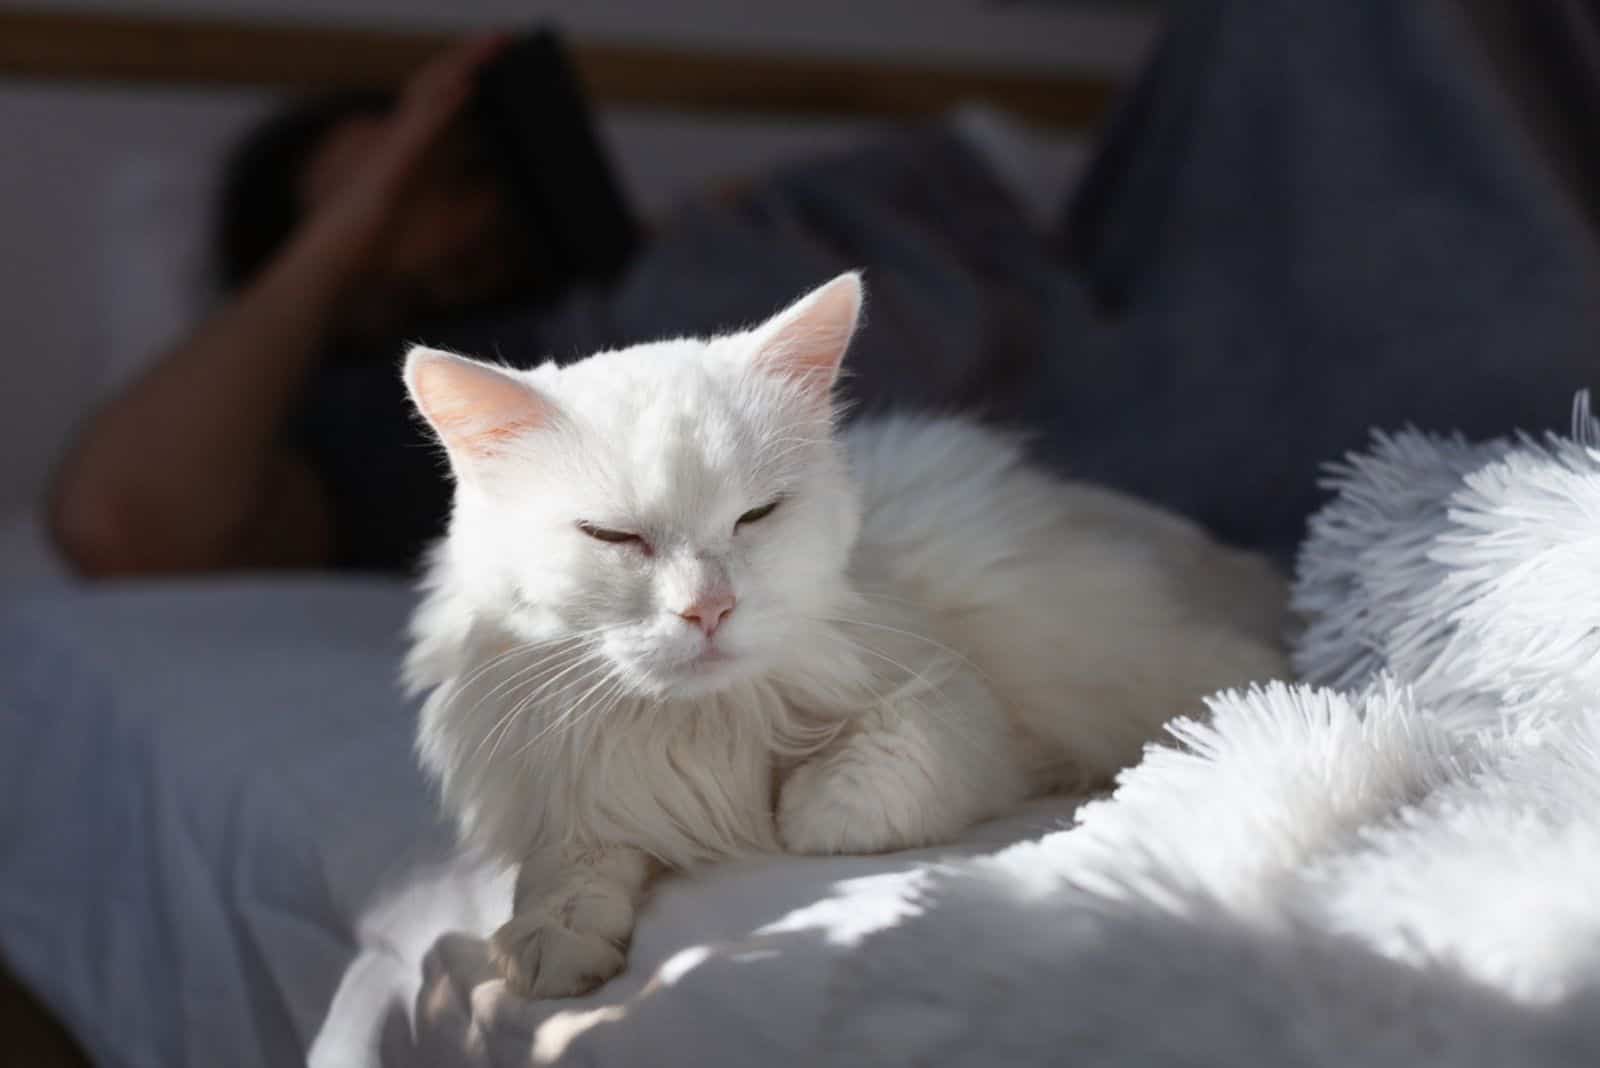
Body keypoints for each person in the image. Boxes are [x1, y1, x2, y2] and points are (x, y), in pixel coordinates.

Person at [49, 35, 527, 576]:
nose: (463, 217)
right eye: (395, 200)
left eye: (463, 172)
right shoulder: (383, 416)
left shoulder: (618, 273)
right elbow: (121, 525)